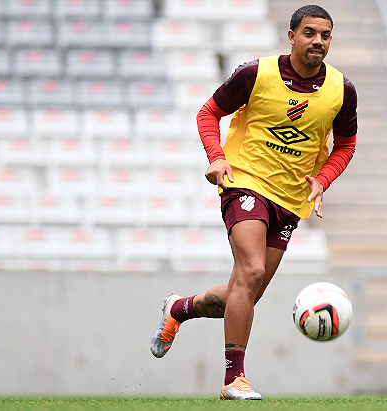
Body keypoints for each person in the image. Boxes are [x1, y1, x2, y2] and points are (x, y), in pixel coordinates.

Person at [150, 4, 357, 400]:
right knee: (252, 270)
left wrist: (323, 179)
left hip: (290, 198)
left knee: (246, 290)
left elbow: (346, 145)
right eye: (310, 33)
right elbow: (208, 112)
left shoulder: (341, 90)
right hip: (244, 181)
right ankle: (234, 380)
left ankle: (179, 309)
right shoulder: (255, 73)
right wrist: (216, 157)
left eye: (325, 35)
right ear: (291, 36)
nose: (318, 41)